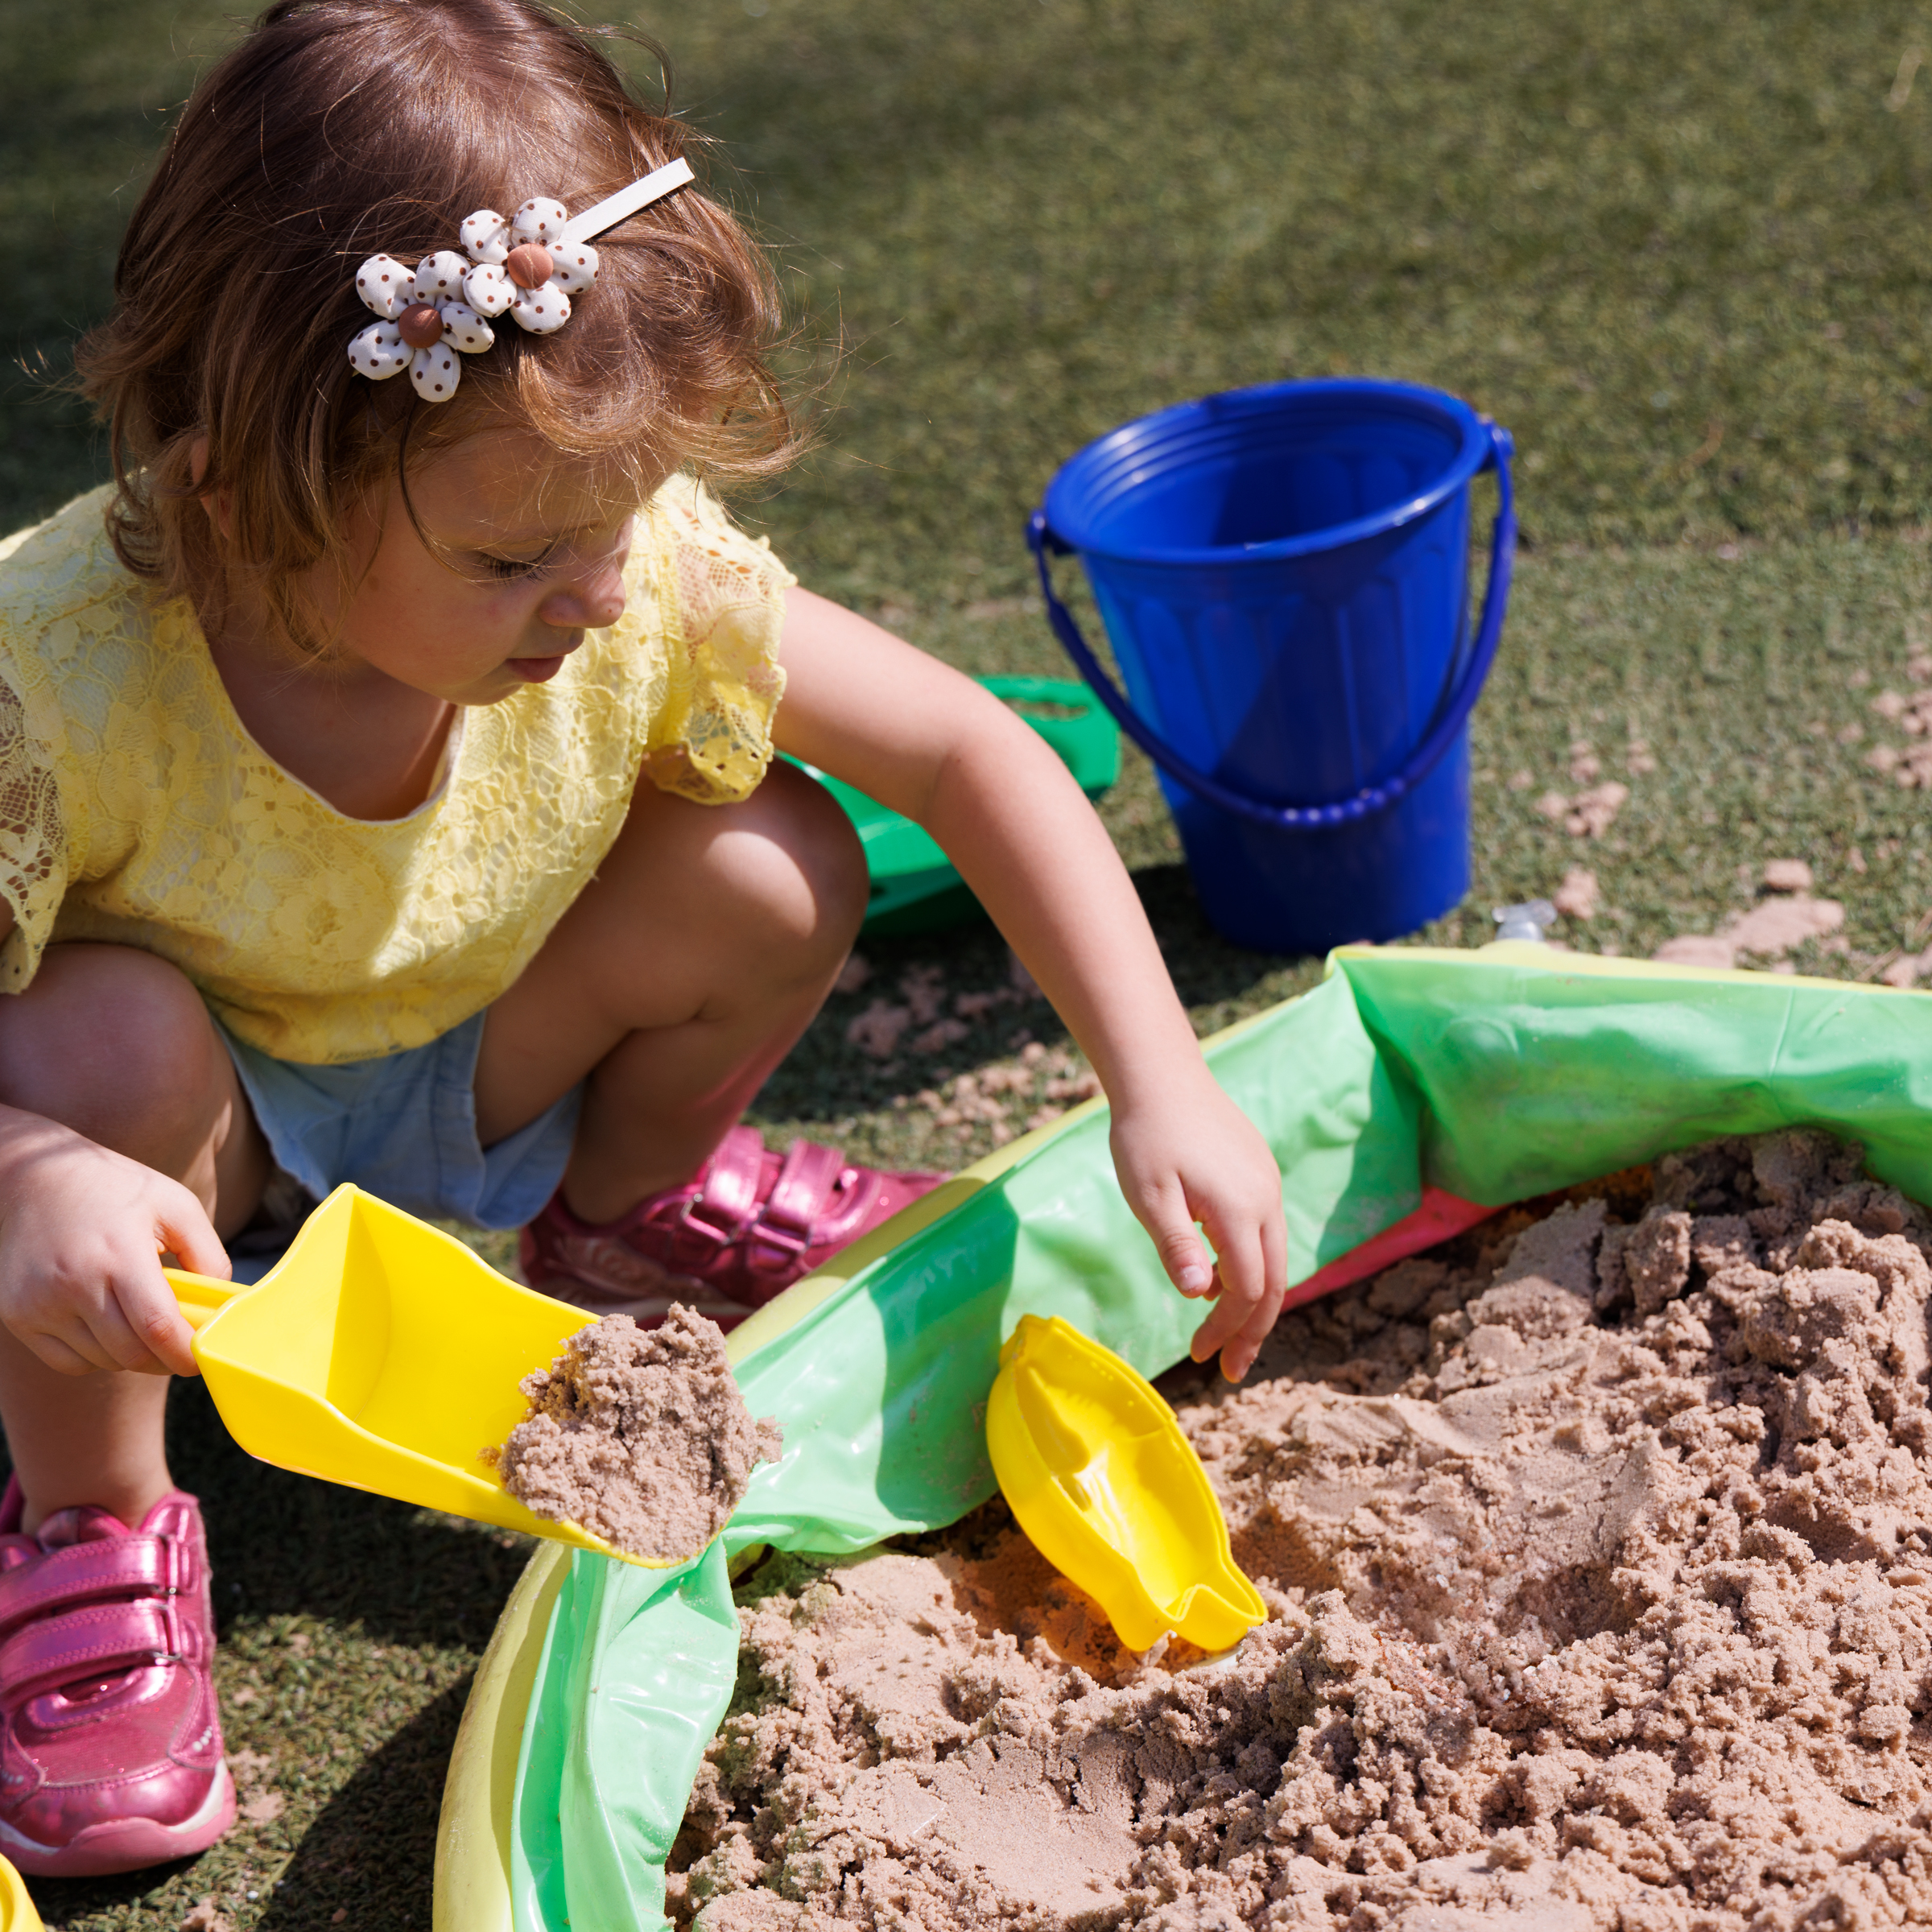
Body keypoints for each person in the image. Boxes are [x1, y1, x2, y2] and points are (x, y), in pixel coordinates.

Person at [0, 0, 1289, 1877]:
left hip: (473, 1064)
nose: (595, 598)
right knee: (85, 1049)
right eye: (513, 560)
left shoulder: (617, 576)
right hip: (186, 1164)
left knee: (769, 862)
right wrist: (30, 1178)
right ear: (240, 491)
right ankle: (87, 1518)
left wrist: (1158, 1084)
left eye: (618, 517)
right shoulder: (54, 679)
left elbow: (965, 748)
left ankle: (621, 1208)